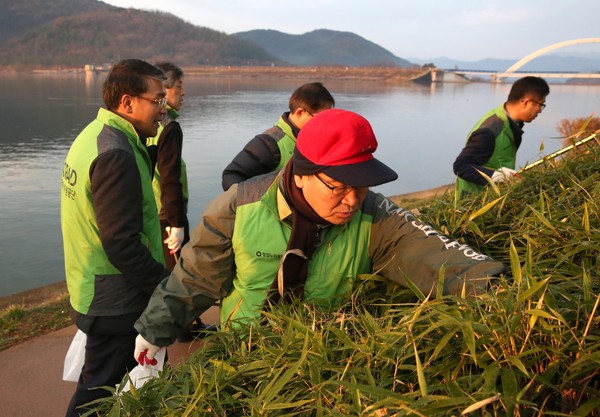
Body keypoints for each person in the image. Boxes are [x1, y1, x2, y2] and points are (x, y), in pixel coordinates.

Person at [133, 108, 507, 361]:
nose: (352, 200)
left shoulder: (374, 216)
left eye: (361, 186)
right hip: (240, 355)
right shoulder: (238, 207)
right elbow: (195, 278)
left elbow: (433, 254)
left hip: (322, 361)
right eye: (339, 187)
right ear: (300, 174)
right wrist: (153, 332)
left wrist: (499, 288)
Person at [60, 59, 171, 416]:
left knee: (104, 386)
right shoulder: (117, 154)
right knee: (98, 395)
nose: (163, 109)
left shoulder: (93, 136)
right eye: (157, 100)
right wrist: (165, 285)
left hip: (91, 285)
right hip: (114, 298)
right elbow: (121, 244)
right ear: (127, 102)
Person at [147, 61, 214, 341]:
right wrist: (176, 221)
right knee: (179, 272)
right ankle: (185, 328)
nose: (183, 92)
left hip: (153, 209)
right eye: (179, 86)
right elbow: (169, 176)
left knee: (164, 269)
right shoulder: (168, 126)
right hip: (167, 211)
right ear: (165, 89)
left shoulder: (147, 125)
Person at [221, 82, 335, 191]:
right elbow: (231, 176)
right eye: (321, 118)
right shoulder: (269, 143)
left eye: (328, 118)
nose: (324, 124)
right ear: (300, 113)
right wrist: (258, 205)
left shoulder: (312, 141)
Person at [453, 76, 550, 199]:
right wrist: (496, 175)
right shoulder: (490, 130)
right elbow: (461, 166)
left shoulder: (510, 123)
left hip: (492, 199)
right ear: (526, 102)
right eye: (540, 105)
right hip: (475, 205)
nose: (540, 111)